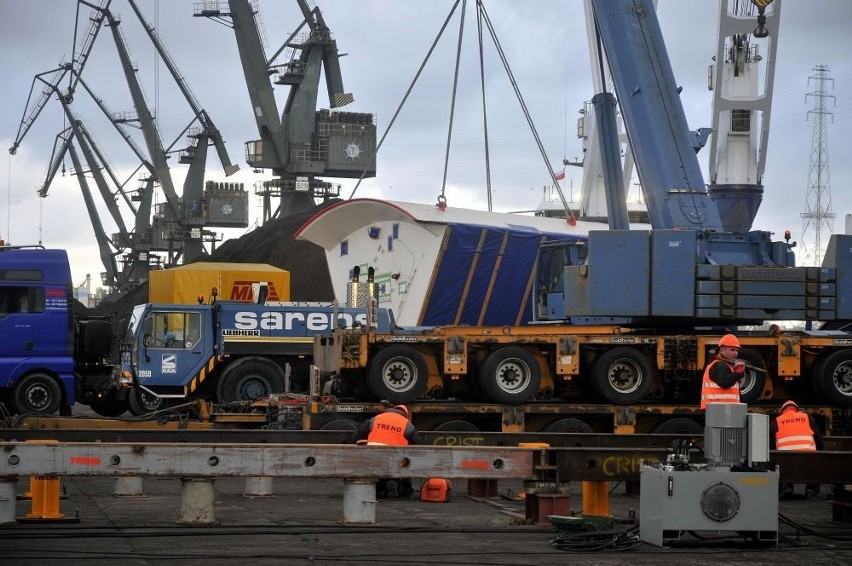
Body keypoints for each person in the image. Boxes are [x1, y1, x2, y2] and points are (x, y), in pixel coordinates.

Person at [353, 405, 423, 498]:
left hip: (373, 461)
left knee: (377, 470)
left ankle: (378, 490)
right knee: (406, 463)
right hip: (397, 464)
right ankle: (402, 490)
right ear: (405, 415)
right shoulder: (407, 425)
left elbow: (356, 436)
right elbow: (419, 445)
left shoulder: (375, 419)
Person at [770, 399, 824, 498]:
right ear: (797, 409)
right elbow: (820, 441)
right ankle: (811, 490)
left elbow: (771, 447)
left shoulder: (776, 422)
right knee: (816, 458)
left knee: (781, 458)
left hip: (786, 465)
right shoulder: (808, 418)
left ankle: (786, 489)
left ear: (782, 411)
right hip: (808, 463)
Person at [700, 334, 746, 409]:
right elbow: (725, 382)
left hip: (720, 408)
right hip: (720, 409)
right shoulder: (719, 365)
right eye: (732, 350)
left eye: (737, 350)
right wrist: (738, 373)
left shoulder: (721, 364)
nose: (735, 353)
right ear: (722, 349)